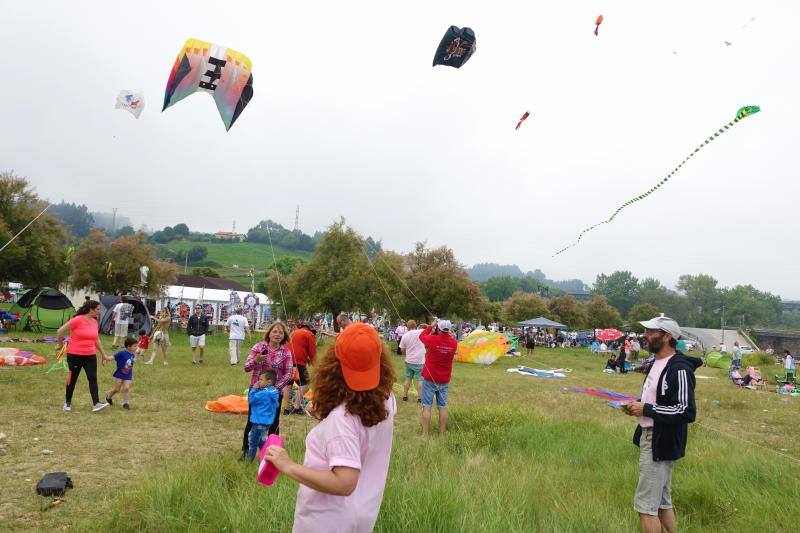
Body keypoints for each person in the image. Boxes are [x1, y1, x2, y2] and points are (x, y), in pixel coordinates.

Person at [263, 323, 396, 532]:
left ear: (333, 364)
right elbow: (361, 430)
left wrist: (288, 465)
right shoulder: (387, 399)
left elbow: (344, 483)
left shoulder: (342, 420)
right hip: (363, 516)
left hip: (326, 522)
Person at [620, 316, 701, 533]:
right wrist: (636, 406)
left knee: (646, 508)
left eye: (650, 332)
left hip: (661, 441)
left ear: (667, 336)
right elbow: (658, 403)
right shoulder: (656, 363)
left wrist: (645, 409)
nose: (644, 336)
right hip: (651, 436)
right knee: (662, 503)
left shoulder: (680, 369)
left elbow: (686, 411)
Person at [241, 322, 293, 457]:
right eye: (275, 331)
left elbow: (288, 374)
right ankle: (246, 452)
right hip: (256, 393)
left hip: (274, 395)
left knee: (274, 422)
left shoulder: (286, 352)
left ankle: (273, 455)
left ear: (284, 336)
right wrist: (256, 360)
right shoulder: (258, 347)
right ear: (269, 333)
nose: (277, 334)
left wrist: (272, 389)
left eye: (281, 333)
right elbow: (246, 367)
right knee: (252, 421)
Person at [56, 300, 110, 413]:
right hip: (74, 354)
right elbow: (60, 331)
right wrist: (60, 345)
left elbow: (96, 339)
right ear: (91, 310)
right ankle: (68, 403)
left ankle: (96, 404)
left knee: (93, 378)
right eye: (98, 309)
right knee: (73, 379)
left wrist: (103, 354)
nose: (99, 312)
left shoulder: (94, 322)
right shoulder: (77, 320)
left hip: (90, 355)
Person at [419, 319, 458, 438]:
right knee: (442, 407)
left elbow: (421, 336)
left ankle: (425, 435)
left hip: (430, 378)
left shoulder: (433, 340)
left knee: (427, 406)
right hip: (444, 379)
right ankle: (441, 434)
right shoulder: (454, 343)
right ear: (449, 329)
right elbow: (450, 341)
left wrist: (431, 327)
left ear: (439, 328)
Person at [246, 369, 279, 461]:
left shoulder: (263, 393)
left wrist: (254, 389)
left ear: (269, 382)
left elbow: (251, 400)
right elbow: (276, 405)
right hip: (267, 422)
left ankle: (249, 460)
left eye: (261, 379)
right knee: (261, 440)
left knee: (253, 441)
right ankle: (263, 458)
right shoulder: (274, 392)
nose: (258, 382)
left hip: (258, 422)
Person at [288, 321, 317, 415]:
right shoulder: (309, 334)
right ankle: (296, 407)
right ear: (310, 329)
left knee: (289, 384)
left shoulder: (293, 332)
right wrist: (315, 365)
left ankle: (287, 407)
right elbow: (312, 352)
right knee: (305, 384)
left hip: (286, 360)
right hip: (298, 362)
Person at [105, 337, 136, 410]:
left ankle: (126, 403)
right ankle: (108, 397)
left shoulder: (132, 354)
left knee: (126, 388)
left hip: (128, 374)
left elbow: (130, 363)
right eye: (134, 346)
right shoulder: (122, 353)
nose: (136, 347)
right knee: (117, 389)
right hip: (119, 374)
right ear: (128, 347)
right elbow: (113, 357)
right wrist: (106, 359)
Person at [399, 320, 426, 402]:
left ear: (407, 327)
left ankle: (405, 396)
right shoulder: (421, 332)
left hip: (409, 361)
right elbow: (430, 328)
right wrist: (424, 325)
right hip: (419, 361)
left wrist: (405, 354)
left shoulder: (405, 336)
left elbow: (402, 349)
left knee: (408, 378)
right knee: (420, 379)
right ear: (416, 326)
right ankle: (420, 398)